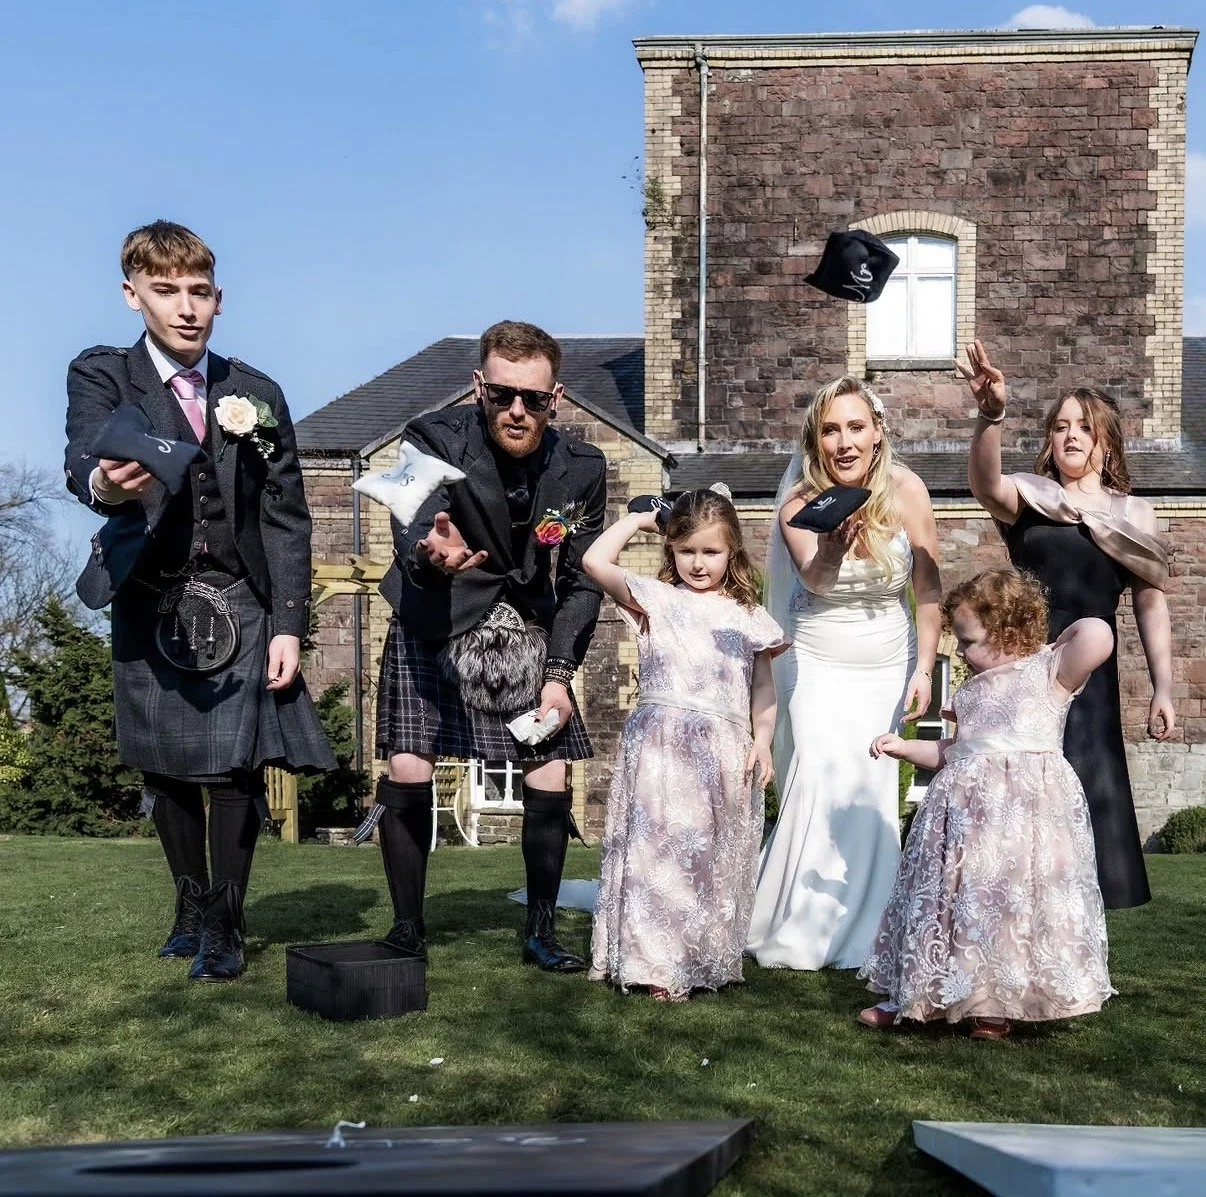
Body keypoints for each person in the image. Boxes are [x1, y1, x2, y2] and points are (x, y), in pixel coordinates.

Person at [64, 220, 333, 983]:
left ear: (220, 299)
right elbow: (83, 454)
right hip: (150, 595)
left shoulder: (256, 392)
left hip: (239, 598)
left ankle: (226, 919)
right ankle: (188, 900)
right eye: (166, 290)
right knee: (168, 769)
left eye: (199, 292)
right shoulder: (105, 374)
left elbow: (286, 517)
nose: (186, 308)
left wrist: (290, 626)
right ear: (132, 294)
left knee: (232, 770)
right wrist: (105, 484)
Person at [371, 320, 606, 972]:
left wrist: (560, 671)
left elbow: (583, 579)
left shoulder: (583, 468)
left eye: (532, 398)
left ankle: (541, 932)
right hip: (435, 616)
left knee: (551, 771)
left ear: (555, 395)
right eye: (503, 394)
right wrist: (429, 553)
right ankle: (408, 930)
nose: (517, 410)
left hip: (524, 630)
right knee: (409, 767)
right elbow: (414, 523)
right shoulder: (433, 438)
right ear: (479, 386)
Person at [959, 341, 1173, 909]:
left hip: (1091, 669)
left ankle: (1079, 908)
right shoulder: (1030, 499)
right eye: (1060, 426)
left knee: (1086, 777)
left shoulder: (1134, 517)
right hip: (1022, 663)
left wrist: (1164, 689)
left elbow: (1151, 604)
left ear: (1107, 440)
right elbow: (985, 483)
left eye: (1085, 426)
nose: (1071, 435)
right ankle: (1017, 890)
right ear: (1050, 440)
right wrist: (991, 415)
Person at [859, 569, 1115, 1040]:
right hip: (964, 820)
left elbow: (1098, 634)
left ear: (1009, 632)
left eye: (969, 640)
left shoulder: (1050, 673)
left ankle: (995, 1007)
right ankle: (921, 992)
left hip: (1024, 820)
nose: (960, 651)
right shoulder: (970, 691)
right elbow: (953, 753)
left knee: (1010, 904)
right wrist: (904, 747)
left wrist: (1053, 643)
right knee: (955, 902)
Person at [748, 376, 942, 971]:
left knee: (871, 784)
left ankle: (869, 929)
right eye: (831, 430)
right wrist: (832, 546)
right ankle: (800, 922)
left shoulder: (909, 491)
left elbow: (929, 586)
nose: (844, 441)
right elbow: (814, 581)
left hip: (887, 657)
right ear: (816, 440)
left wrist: (926, 668)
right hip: (819, 659)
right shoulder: (798, 503)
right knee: (817, 776)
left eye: (856, 427)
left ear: (878, 433)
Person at [582, 487, 786, 1001]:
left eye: (710, 551)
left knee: (706, 854)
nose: (698, 563)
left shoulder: (749, 615)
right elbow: (593, 559)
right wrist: (643, 520)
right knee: (657, 849)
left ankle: (698, 956)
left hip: (721, 746)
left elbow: (763, 688)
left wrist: (762, 741)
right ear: (671, 548)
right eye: (686, 550)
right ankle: (653, 963)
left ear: (732, 551)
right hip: (662, 744)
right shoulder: (656, 598)